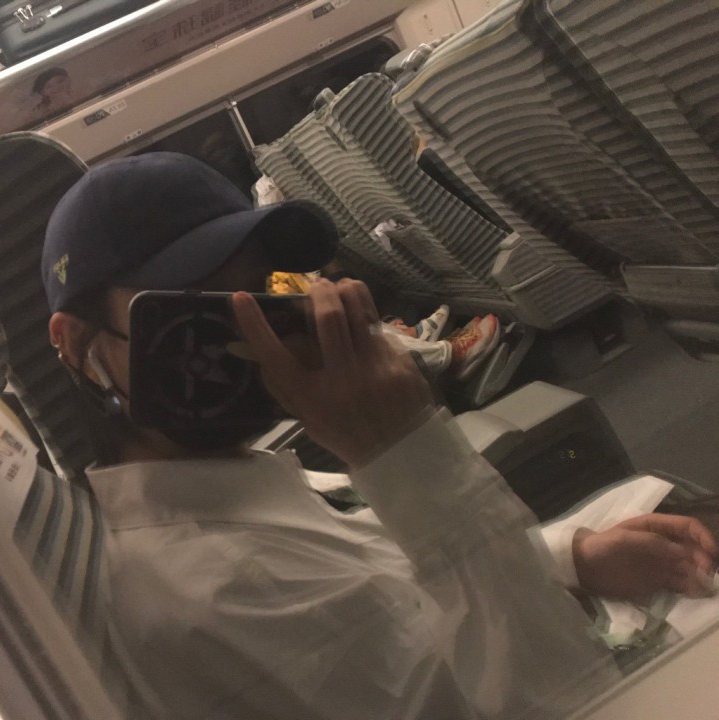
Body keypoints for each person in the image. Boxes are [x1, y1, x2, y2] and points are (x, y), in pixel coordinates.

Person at [43, 153, 716, 719]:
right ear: (76, 346)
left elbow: (405, 582)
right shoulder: (224, 592)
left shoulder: (235, 480)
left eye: (256, 293)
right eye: (195, 304)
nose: (250, 331)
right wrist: (403, 450)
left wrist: (572, 558)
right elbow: (566, 698)